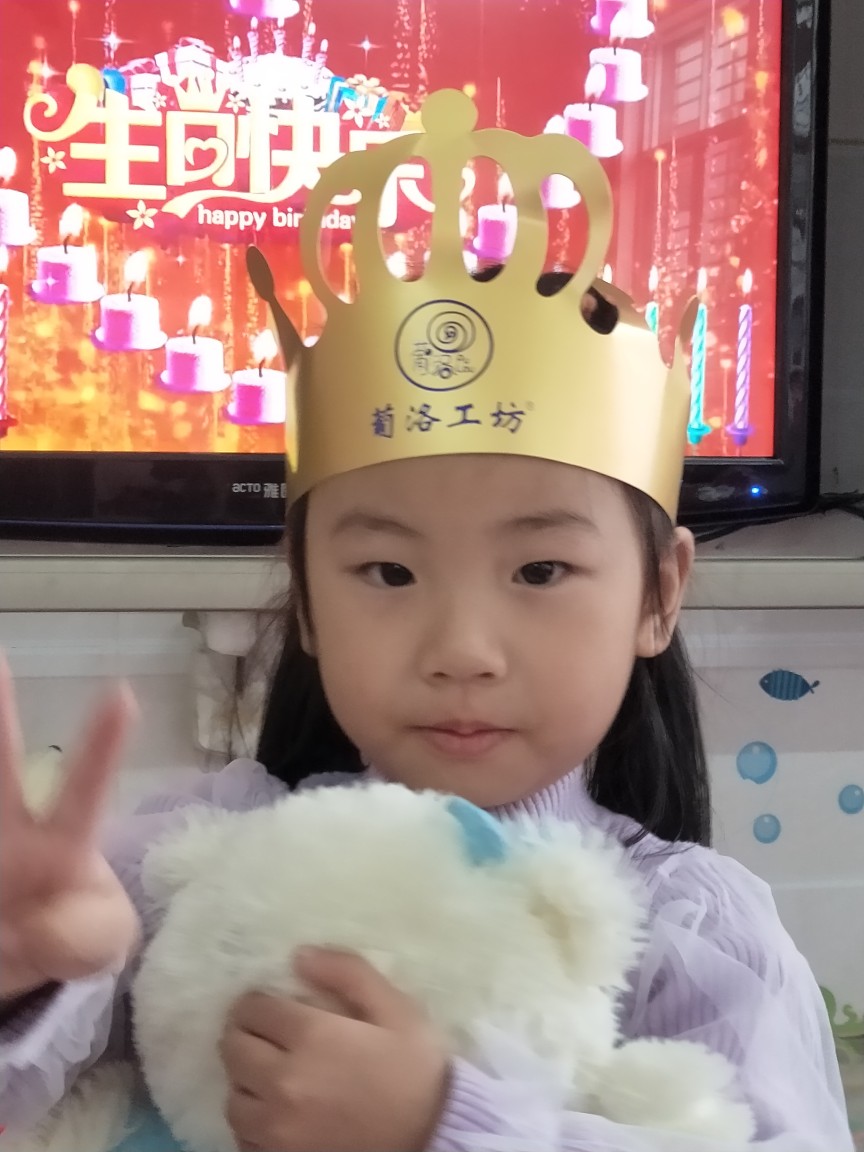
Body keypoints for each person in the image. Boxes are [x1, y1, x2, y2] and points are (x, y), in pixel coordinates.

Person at [0, 103, 853, 1151]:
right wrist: (29, 976)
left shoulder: (688, 931)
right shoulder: (199, 854)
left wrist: (444, 1124)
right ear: (307, 596)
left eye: (540, 570)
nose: (460, 649)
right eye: (388, 572)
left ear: (657, 595)